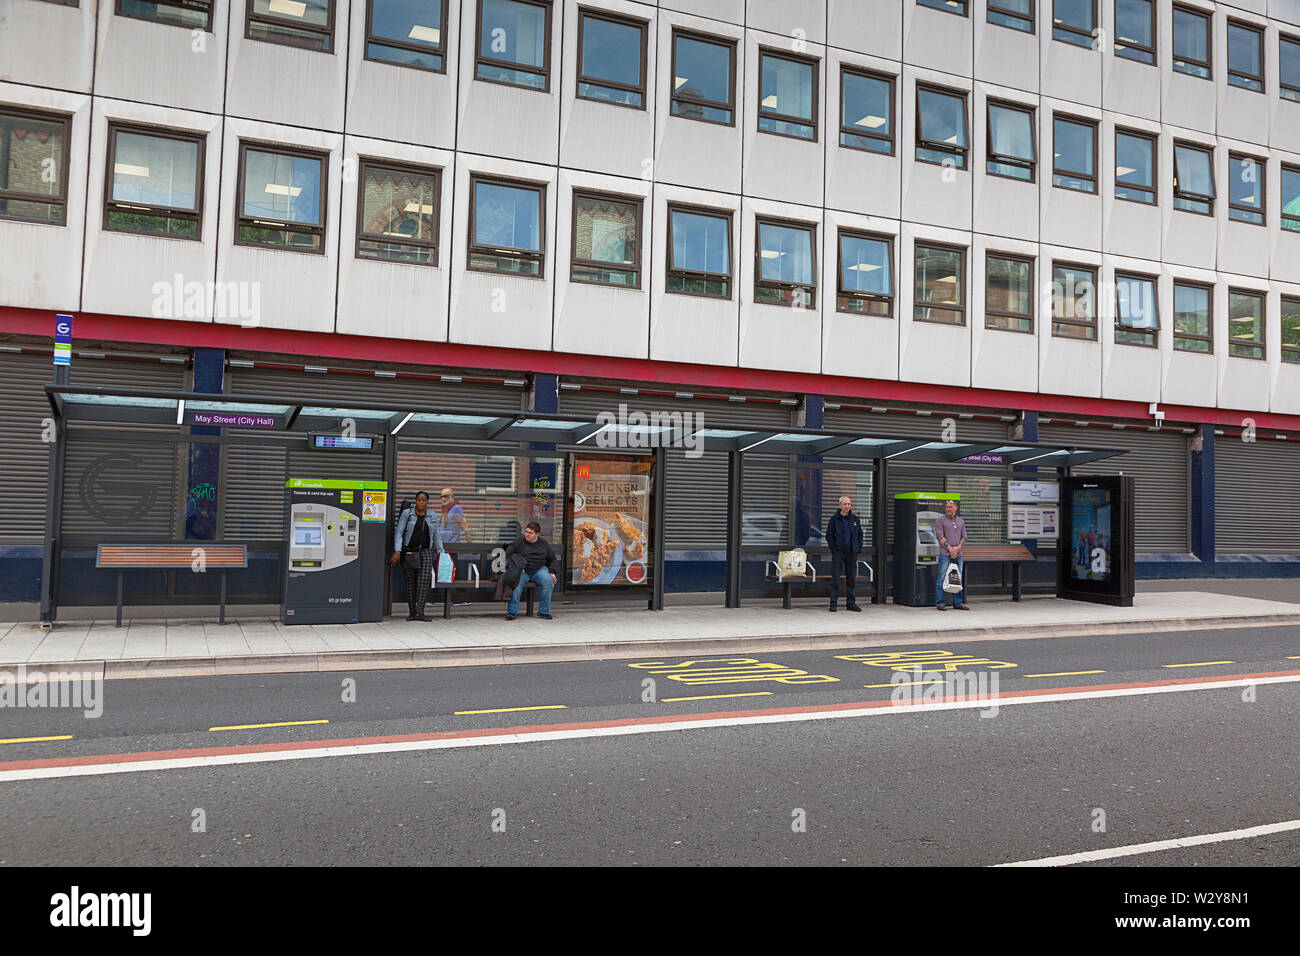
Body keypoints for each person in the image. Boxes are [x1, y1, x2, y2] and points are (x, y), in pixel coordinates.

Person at [390, 490, 442, 622]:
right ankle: (412, 612)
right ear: (416, 501)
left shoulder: (432, 516)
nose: (421, 502)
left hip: (425, 552)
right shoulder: (407, 514)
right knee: (410, 583)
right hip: (409, 552)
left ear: (427, 502)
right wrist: (397, 550)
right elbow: (399, 532)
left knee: (424, 582)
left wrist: (442, 552)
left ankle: (420, 612)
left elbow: (436, 535)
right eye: (419, 500)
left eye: (423, 500)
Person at [503, 521, 558, 621]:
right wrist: (516, 566)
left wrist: (552, 572)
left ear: (537, 534)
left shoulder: (544, 544)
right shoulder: (519, 541)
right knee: (516, 582)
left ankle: (544, 611)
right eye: (526, 532)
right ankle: (512, 611)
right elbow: (508, 554)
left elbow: (553, 559)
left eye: (530, 533)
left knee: (548, 581)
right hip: (523, 569)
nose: (527, 534)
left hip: (539, 569)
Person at [823, 495, 863, 612]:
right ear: (840, 505)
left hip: (851, 553)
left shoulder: (855, 519)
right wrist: (834, 550)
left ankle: (851, 603)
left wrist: (858, 547)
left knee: (851, 579)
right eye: (845, 504)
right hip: (839, 553)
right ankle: (833, 603)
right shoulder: (834, 519)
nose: (847, 506)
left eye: (849, 504)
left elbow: (859, 535)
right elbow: (829, 536)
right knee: (835, 579)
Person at [934, 499, 970, 611]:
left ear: (956, 508)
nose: (948, 509)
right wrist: (950, 549)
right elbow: (940, 537)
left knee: (957, 578)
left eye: (950, 507)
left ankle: (958, 603)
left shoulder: (961, 521)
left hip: (958, 554)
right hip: (945, 554)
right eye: (946, 507)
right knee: (941, 578)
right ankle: (940, 603)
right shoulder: (940, 521)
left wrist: (958, 548)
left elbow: (964, 537)